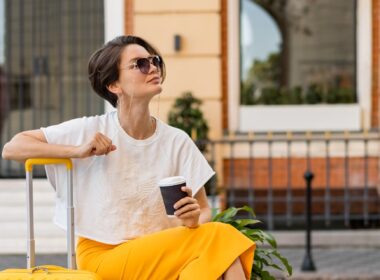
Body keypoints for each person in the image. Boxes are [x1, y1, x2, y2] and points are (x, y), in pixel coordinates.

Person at [2, 35, 255, 280]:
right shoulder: (90, 130)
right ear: (114, 85)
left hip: (160, 253)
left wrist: (191, 219)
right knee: (223, 239)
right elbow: (13, 148)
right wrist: (77, 151)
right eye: (140, 64)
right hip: (104, 255)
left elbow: (203, 211)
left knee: (209, 261)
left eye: (154, 61)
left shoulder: (177, 140)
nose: (153, 68)